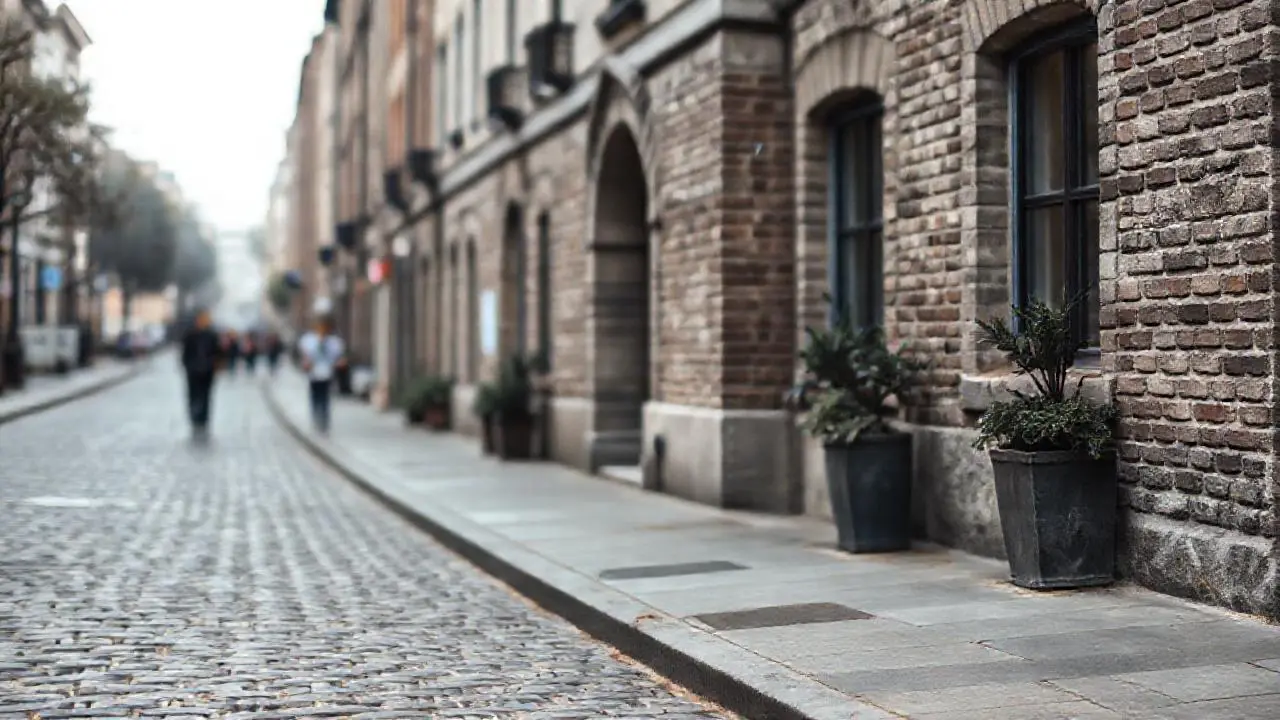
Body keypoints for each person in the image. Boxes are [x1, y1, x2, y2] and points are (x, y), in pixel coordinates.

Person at [297, 315, 346, 433]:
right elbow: (305, 356)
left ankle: (324, 420)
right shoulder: (309, 340)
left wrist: (338, 363)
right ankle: (315, 418)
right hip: (314, 373)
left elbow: (338, 358)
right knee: (315, 396)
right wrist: (306, 362)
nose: (322, 331)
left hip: (327, 373)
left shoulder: (334, 342)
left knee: (325, 397)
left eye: (324, 328)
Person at [180, 310, 222, 437]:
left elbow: (217, 352)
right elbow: (185, 353)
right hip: (193, 371)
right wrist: (188, 366)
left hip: (208, 371)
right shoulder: (190, 335)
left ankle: (203, 417)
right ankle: (194, 416)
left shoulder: (212, 335)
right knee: (193, 394)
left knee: (206, 395)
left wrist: (215, 365)